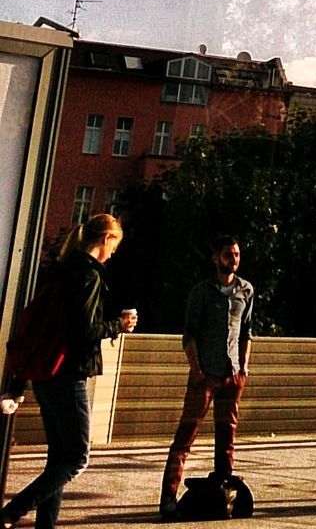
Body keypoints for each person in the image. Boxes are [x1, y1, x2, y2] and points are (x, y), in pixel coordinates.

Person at [1, 213, 138, 529]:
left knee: (59, 459)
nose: (113, 253)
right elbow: (84, 330)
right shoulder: (88, 276)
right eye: (114, 246)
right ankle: (11, 512)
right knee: (77, 458)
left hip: (46, 375)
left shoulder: (62, 271)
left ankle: (44, 525)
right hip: (68, 375)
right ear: (106, 240)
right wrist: (120, 324)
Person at [159, 236, 254, 519]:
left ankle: (225, 497)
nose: (233, 259)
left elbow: (247, 330)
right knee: (185, 437)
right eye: (228, 254)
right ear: (216, 258)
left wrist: (244, 367)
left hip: (232, 375)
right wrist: (197, 370)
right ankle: (168, 498)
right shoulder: (201, 292)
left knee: (227, 438)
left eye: (237, 254)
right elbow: (189, 334)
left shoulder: (246, 290)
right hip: (205, 376)